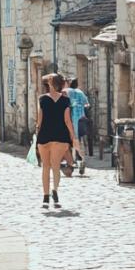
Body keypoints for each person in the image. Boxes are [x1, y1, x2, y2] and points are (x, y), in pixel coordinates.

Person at [35, 72, 79, 210]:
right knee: (55, 167)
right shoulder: (65, 101)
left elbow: (39, 121)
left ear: (51, 84)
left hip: (45, 136)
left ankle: (45, 197)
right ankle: (55, 192)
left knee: (45, 167)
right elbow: (67, 120)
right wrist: (73, 137)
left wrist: (36, 135)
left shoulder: (42, 99)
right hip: (60, 136)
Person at [61, 77, 90, 175]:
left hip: (70, 119)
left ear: (69, 83)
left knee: (70, 141)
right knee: (79, 141)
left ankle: (71, 162)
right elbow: (87, 104)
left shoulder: (65, 91)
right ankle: (81, 160)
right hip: (81, 119)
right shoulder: (80, 92)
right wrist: (79, 106)